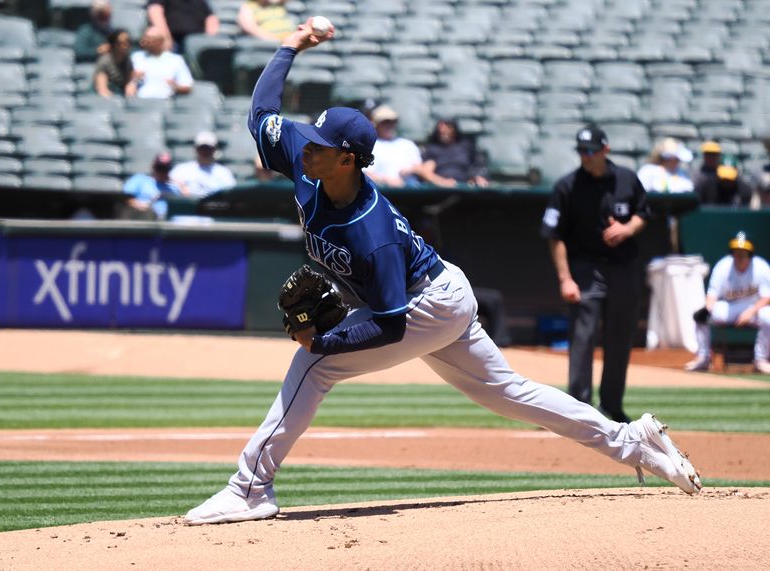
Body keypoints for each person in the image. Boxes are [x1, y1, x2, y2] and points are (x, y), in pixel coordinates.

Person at [183, 21, 701, 526]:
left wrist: (322, 345)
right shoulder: (307, 158)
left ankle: (249, 488)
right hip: (438, 290)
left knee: (314, 370)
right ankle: (634, 441)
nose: (306, 147)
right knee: (510, 393)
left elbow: (390, 325)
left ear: (346, 160)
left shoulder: (373, 232)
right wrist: (291, 45)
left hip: (425, 302)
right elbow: (261, 113)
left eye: (320, 144)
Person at [540, 125, 650, 424]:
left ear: (605, 149)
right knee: (582, 336)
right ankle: (579, 410)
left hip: (623, 267)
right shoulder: (567, 186)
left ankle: (612, 406)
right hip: (585, 267)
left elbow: (643, 212)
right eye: (581, 151)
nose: (585, 157)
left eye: (590, 151)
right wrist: (565, 278)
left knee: (620, 337)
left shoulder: (627, 178)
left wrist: (627, 228)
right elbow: (554, 235)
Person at [684, 232, 770, 374]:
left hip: (754, 308)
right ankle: (703, 358)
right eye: (737, 251)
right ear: (732, 252)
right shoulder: (723, 267)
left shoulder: (761, 267)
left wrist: (750, 312)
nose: (740, 255)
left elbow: (767, 297)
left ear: (750, 253)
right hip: (730, 308)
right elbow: (712, 295)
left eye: (743, 252)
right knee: (701, 316)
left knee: (768, 316)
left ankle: (761, 360)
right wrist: (707, 309)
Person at [417, 117, 489, 188]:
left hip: (465, 185)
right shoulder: (431, 149)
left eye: (448, 127)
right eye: (441, 128)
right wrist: (442, 182)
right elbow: (425, 172)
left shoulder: (466, 146)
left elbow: (478, 165)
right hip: (439, 187)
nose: (444, 131)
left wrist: (478, 177)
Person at [364, 105, 422, 188]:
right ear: (376, 125)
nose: (389, 125)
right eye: (385, 122)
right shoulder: (371, 146)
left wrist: (411, 170)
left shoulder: (408, 144)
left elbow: (420, 167)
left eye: (392, 121)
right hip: (383, 191)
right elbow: (366, 173)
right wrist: (386, 180)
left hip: (411, 190)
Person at [131, 26, 194, 99]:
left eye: (152, 40)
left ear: (161, 41)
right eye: (146, 39)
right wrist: (133, 79)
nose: (147, 42)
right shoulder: (136, 57)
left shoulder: (176, 60)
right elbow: (127, 83)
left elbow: (187, 87)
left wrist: (175, 86)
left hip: (166, 103)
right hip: (140, 101)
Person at [169, 131, 236, 197]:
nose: (205, 151)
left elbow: (230, 193)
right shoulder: (181, 170)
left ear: (215, 150)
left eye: (209, 148)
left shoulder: (223, 173)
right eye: (202, 148)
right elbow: (169, 186)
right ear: (195, 149)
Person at [122, 151, 183, 220]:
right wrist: (138, 204)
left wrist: (180, 184)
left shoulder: (173, 188)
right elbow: (124, 198)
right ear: (153, 167)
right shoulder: (140, 179)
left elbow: (185, 203)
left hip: (167, 221)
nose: (161, 172)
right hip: (143, 218)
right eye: (159, 168)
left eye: (165, 169)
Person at [692, 140, 753, 206]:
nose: (726, 182)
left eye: (714, 154)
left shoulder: (744, 190)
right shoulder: (707, 186)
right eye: (723, 179)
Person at [147, 0, 219, 53]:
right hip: (174, 41)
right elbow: (155, 11)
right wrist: (166, 38)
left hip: (196, 42)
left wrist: (207, 41)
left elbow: (211, 18)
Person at [93, 29, 136, 98]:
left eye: (128, 42)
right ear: (113, 45)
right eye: (123, 43)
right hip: (106, 100)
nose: (127, 46)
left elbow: (130, 82)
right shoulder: (104, 62)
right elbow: (102, 89)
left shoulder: (128, 61)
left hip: (122, 97)